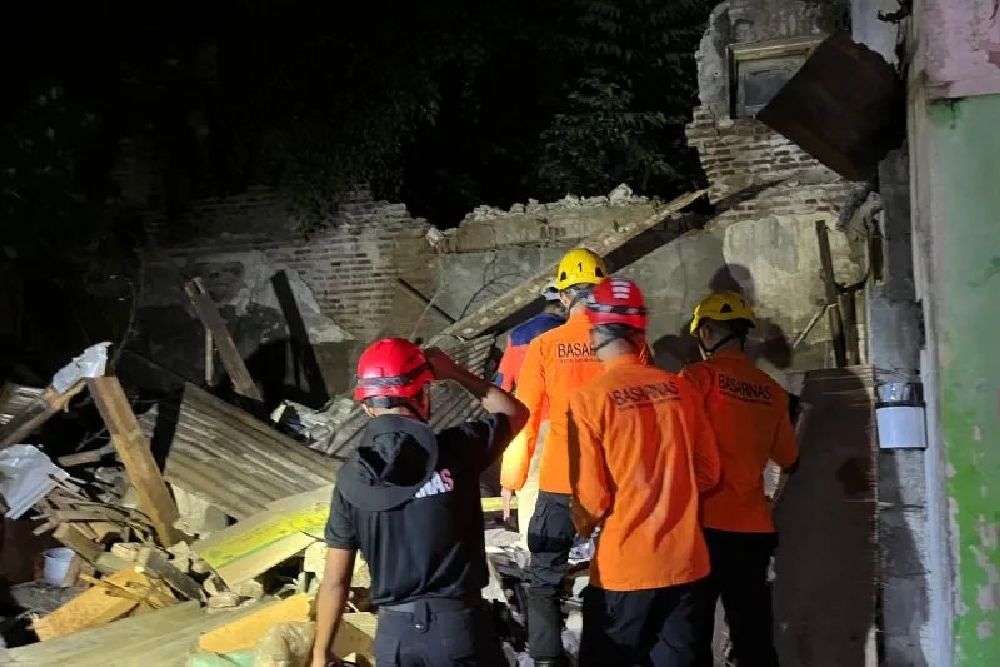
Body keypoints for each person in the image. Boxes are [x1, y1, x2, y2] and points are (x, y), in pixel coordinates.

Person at [311, 338, 528, 667]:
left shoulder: (351, 479)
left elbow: (335, 582)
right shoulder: (457, 450)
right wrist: (455, 372)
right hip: (458, 630)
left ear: (367, 406)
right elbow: (515, 412)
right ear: (422, 396)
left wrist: (320, 652)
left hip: (395, 640)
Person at [567, 277, 721, 666]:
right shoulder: (681, 388)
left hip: (626, 570)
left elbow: (593, 498)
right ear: (640, 333)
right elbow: (708, 473)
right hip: (687, 563)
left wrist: (583, 525)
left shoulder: (588, 401)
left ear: (594, 330)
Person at [499, 247, 608, 665]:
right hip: (613, 484)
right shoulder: (625, 345)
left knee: (543, 579)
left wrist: (511, 479)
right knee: (610, 574)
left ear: (564, 297)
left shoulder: (545, 346)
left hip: (561, 481)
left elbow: (523, 423)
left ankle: (547, 659)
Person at [682, 292, 799, 667]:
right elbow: (789, 458)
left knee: (693, 633)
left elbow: (674, 446)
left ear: (709, 331)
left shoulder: (696, 378)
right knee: (753, 636)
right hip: (753, 531)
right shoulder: (773, 392)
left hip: (703, 525)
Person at [492, 280, 565, 543]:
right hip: (567, 422)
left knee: (530, 488)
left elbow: (502, 384)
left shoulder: (519, 335)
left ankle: (531, 545)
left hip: (528, 422)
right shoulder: (571, 334)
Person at [494, 280, 565, 393]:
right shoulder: (571, 332)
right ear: (563, 304)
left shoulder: (517, 335)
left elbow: (504, 381)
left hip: (529, 403)